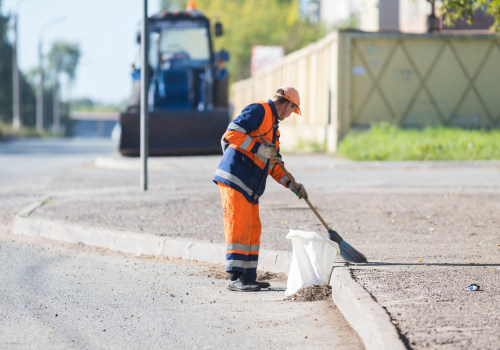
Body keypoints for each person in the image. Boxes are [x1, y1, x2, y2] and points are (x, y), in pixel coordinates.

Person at [213, 86, 308, 292]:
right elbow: (232, 133)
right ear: (287, 103)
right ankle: (235, 277)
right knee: (238, 226)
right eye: (293, 109)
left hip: (250, 186)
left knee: (252, 228)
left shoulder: (274, 130)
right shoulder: (258, 110)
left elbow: (275, 165)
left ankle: (248, 277)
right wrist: (257, 148)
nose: (291, 114)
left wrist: (291, 184)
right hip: (235, 177)